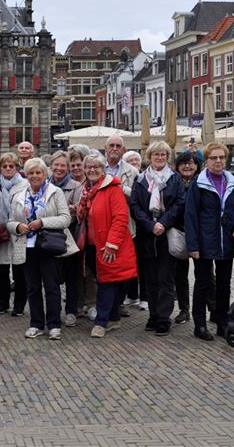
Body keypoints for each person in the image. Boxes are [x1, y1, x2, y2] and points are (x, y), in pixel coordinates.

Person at [8, 157, 77, 340]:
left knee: (52, 286)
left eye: (38, 172)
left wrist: (43, 222)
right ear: (26, 174)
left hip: (49, 245)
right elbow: (9, 221)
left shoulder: (55, 192)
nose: (34, 176)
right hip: (27, 246)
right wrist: (17, 227)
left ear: (44, 173)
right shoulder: (20, 195)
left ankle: (54, 324)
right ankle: (36, 323)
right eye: (31, 173)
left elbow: (65, 218)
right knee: (32, 287)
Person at [184, 142, 234, 341]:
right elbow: (191, 215)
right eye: (213, 158)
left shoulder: (233, 182)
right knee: (202, 283)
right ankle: (200, 324)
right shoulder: (198, 184)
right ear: (206, 161)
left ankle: (221, 320)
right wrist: (192, 245)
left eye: (221, 157)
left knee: (224, 284)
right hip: (204, 240)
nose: (218, 161)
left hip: (226, 240)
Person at [77, 153, 137, 338]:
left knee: (107, 281)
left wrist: (112, 244)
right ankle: (113, 316)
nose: (92, 170)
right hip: (92, 245)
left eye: (97, 167)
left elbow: (120, 218)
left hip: (109, 245)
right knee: (106, 280)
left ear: (103, 169)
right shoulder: (87, 189)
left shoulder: (112, 188)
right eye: (89, 167)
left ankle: (101, 321)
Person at [130, 142, 185, 336]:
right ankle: (153, 314)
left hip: (167, 233)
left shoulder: (175, 179)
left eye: (163, 154)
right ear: (149, 156)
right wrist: (150, 224)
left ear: (167, 157)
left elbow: (179, 203)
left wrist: (163, 222)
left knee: (166, 278)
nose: (160, 157)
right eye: (156, 154)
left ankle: (163, 317)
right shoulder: (140, 179)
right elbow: (135, 205)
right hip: (147, 234)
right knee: (149, 278)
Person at [0, 152, 25, 315]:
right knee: (1, 271)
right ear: (0, 168)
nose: (8, 168)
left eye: (11, 166)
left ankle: (19, 305)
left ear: (16, 168)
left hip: (19, 232)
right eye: (5, 166)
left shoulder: (25, 185)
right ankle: (3, 303)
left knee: (19, 271)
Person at [104, 134, 139, 314]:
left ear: (123, 150)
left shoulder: (132, 172)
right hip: (102, 224)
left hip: (124, 224)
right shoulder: (97, 168)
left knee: (122, 265)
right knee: (103, 264)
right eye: (112, 145)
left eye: (118, 146)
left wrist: (120, 187)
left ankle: (119, 302)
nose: (115, 148)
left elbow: (138, 196)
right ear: (106, 148)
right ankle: (105, 303)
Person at [48, 150, 82, 327]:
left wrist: (68, 212)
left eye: (63, 165)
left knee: (71, 276)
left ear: (68, 167)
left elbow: (77, 213)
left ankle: (71, 311)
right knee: (51, 276)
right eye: (56, 165)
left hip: (70, 236)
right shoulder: (45, 184)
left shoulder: (76, 186)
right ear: (51, 166)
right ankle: (53, 311)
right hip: (49, 237)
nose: (59, 168)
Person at [173, 151, 202, 325]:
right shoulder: (174, 183)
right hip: (179, 233)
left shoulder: (202, 183)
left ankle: (212, 308)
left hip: (199, 235)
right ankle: (184, 310)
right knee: (180, 274)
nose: (187, 166)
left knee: (205, 275)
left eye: (191, 163)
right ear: (177, 166)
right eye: (184, 163)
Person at [67, 148, 91, 321]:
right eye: (72, 165)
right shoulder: (67, 184)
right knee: (75, 270)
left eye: (78, 164)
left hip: (88, 230)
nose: (76, 168)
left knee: (89, 270)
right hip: (72, 231)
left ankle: (91, 303)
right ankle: (78, 303)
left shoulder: (90, 183)